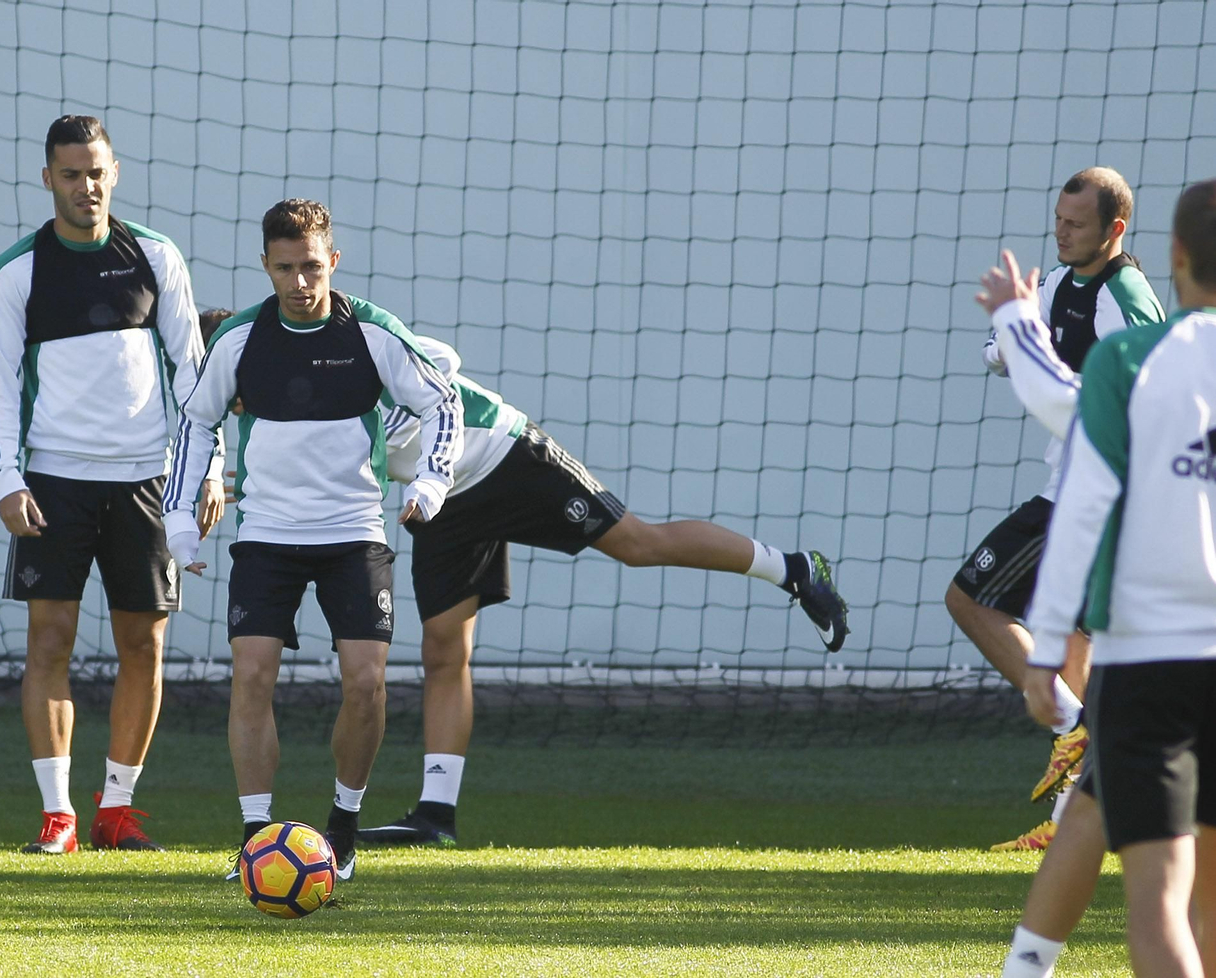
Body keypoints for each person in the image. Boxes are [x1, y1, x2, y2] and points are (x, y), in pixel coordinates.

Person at [352, 335, 850, 847]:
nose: (306, 295)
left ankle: (793, 569)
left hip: (505, 455)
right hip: (441, 500)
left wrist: (395, 420)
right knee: (442, 647)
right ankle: (436, 817)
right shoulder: (295, 392)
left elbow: (442, 358)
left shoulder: (361, 335)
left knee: (638, 544)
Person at [164, 199, 464, 882]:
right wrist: (179, 520)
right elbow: (195, 422)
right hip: (266, 535)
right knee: (251, 677)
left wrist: (431, 482)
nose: (299, 283)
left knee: (366, 684)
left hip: (354, 533)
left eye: (311, 267)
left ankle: (343, 829)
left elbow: (441, 400)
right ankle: (255, 838)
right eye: (284, 269)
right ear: (265, 266)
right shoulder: (239, 338)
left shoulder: (372, 331)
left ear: (333, 259)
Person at [0, 115, 224, 853]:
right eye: (71, 174)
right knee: (50, 640)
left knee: (143, 645)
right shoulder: (16, 272)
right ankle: (58, 818)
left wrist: (208, 470)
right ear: (47, 179)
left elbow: (196, 374)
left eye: (96, 172)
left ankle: (116, 811)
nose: (86, 186)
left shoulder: (156, 255)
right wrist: (5, 478)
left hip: (147, 482)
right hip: (52, 483)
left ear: (114, 173)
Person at [1016, 177, 1216, 977]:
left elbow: (1083, 505)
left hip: (1149, 662)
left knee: (1159, 904)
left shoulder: (1130, 359)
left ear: (1174, 254)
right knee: (1208, 904)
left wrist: (1046, 647)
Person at [949, 166, 1165, 851]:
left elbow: (1152, 389)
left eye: (1076, 224)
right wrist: (1010, 339)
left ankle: (1071, 726)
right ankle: (1070, 819)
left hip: (1094, 494)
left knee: (970, 598)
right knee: (1076, 648)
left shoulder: (1123, 294)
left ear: (1115, 229)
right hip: (1075, 485)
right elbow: (1004, 351)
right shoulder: (1057, 284)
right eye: (1059, 220)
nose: (1061, 233)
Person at [979, 257, 1117, 977]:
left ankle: (1027, 967)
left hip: (1158, 653)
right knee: (1183, 875)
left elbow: (1069, 405)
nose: (1063, 232)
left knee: (1124, 838)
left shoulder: (1145, 346)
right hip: (1184, 644)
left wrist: (1014, 319)